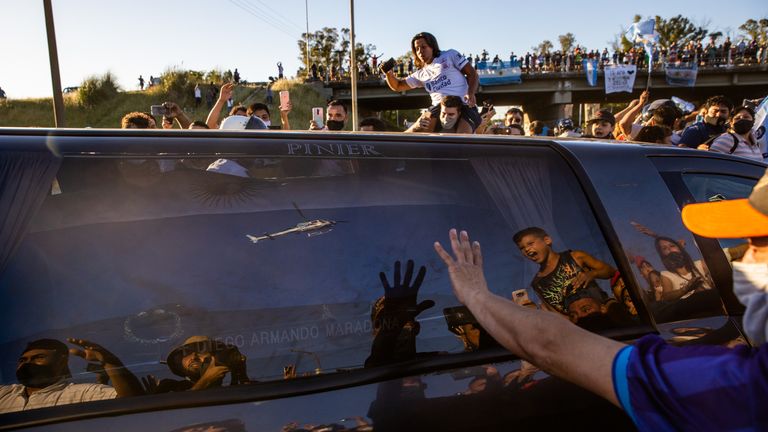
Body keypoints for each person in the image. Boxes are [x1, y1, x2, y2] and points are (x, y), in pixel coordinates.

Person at [433, 188, 768, 431]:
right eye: (749, 244)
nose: (746, 258)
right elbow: (555, 322)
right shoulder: (537, 284)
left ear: (546, 240)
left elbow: (553, 344)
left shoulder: (735, 385)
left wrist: (476, 296)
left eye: (760, 244)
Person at [0, 338, 143, 413]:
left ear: (62, 362)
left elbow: (131, 401)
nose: (27, 363)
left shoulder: (83, 393)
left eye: (39, 357)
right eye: (22, 360)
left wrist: (109, 361)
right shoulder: (3, 394)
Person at [382, 32, 481, 131]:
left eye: (423, 47)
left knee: (462, 136)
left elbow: (472, 74)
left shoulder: (450, 55)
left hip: (464, 103)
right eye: (417, 49)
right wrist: (388, 74)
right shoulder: (420, 74)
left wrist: (471, 93)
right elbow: (398, 86)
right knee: (423, 132)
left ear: (432, 46)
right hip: (439, 107)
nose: (420, 51)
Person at [513, 227, 615, 315]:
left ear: (547, 240)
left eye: (530, 243)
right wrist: (535, 311)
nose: (526, 249)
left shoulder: (576, 257)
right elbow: (555, 314)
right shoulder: (537, 283)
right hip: (579, 330)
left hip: (604, 316)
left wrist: (592, 274)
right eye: (522, 248)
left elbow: (610, 271)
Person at [145, 336, 249, 393]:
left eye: (201, 351)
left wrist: (241, 375)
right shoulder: (169, 387)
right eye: (187, 353)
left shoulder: (231, 390)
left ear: (215, 358)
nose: (193, 356)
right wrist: (206, 381)